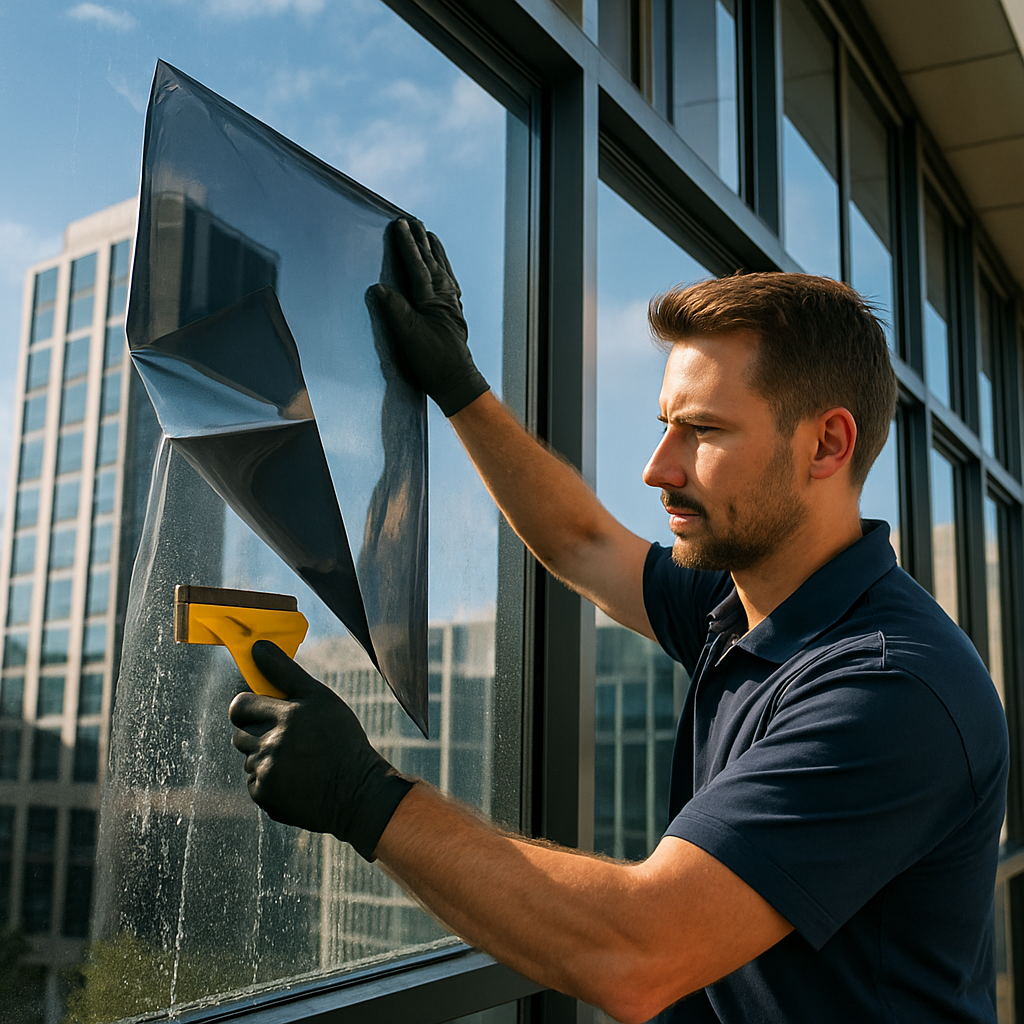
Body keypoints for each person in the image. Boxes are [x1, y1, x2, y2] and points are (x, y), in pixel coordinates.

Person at [229, 219, 1008, 1023]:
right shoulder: (741, 601)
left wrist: (365, 796)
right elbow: (584, 541)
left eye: (702, 431)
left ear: (826, 444)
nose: (658, 469)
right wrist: (460, 386)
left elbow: (637, 951)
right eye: (665, 424)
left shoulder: (889, 687)